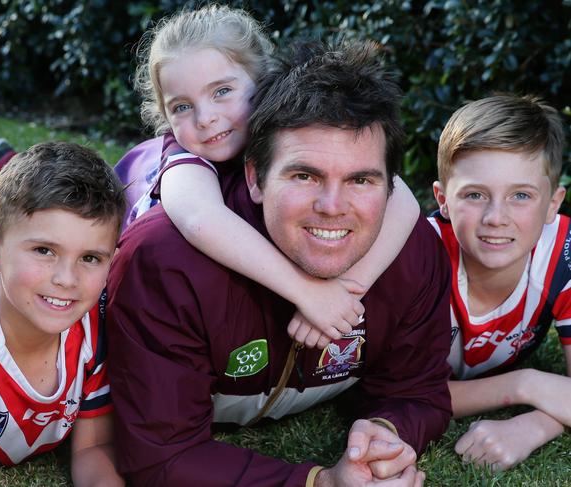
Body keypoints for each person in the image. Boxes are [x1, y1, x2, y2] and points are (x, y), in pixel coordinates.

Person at [106, 39, 453, 486]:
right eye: (304, 175)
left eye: (361, 179)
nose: (332, 206)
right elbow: (161, 455)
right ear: (254, 176)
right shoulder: (165, 263)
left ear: (389, 185)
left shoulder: (411, 249)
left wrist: (386, 433)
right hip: (127, 191)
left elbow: (419, 393)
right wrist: (319, 483)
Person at [114, 4, 420, 349]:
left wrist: (346, 291)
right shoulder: (184, 159)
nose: (205, 118)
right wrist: (307, 292)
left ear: (261, 81)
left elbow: (403, 200)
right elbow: (200, 219)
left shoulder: (285, 131)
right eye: (181, 107)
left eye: (222, 92)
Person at [0, 142, 126, 486]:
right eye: (44, 250)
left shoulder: (100, 320)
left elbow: (93, 449)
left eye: (90, 257)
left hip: (16, 290)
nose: (67, 279)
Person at [429, 94, 570, 471]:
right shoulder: (417, 256)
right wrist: (526, 385)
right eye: (475, 194)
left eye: (520, 195)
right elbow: (399, 393)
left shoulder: (565, 255)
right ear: (442, 199)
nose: (496, 217)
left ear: (553, 204)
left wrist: (539, 424)